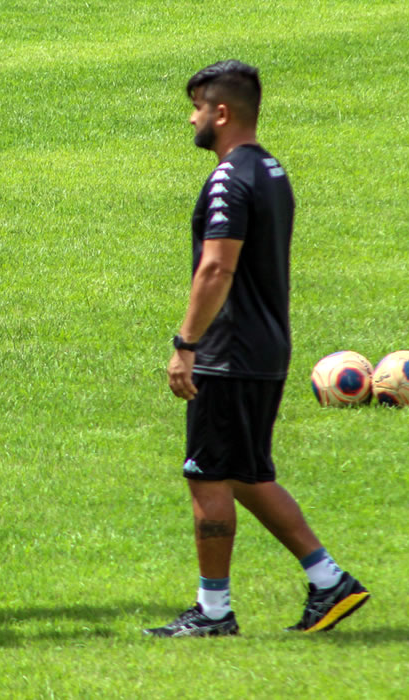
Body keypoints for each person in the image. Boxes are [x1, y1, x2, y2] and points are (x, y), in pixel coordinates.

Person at [145, 60, 370, 637]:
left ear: (221, 113)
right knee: (246, 473)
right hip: (266, 346)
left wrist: (186, 344)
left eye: (197, 107)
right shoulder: (272, 169)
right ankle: (328, 581)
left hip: (230, 350)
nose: (191, 118)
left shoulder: (229, 178)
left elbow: (217, 267)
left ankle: (214, 613)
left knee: (208, 475)